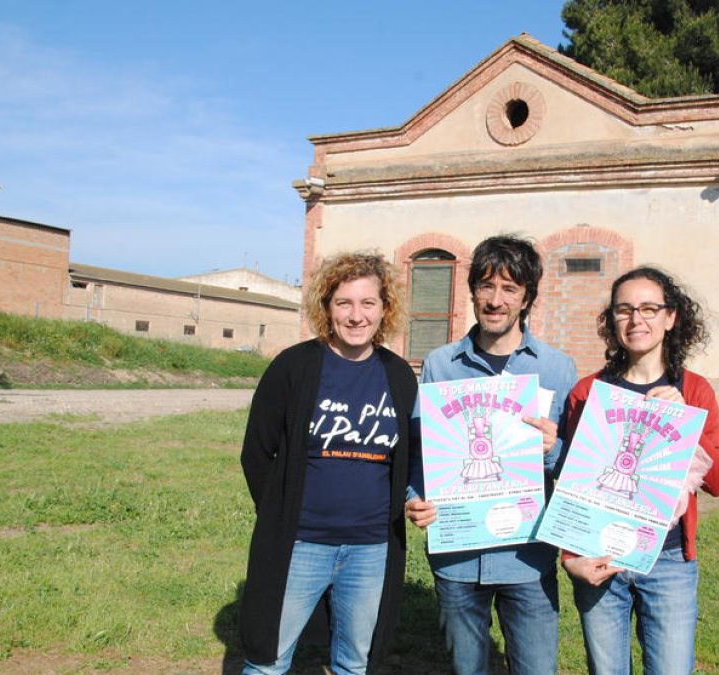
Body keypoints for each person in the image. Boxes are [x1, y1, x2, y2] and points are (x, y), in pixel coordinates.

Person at [404, 235, 578, 675]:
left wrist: (550, 449)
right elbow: (420, 451)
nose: (495, 300)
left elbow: (578, 470)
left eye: (509, 289)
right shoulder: (440, 365)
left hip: (528, 557)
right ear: (473, 292)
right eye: (486, 286)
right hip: (457, 556)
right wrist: (414, 497)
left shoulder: (557, 368)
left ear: (526, 298)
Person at [238, 252, 417, 675]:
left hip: (371, 548)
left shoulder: (399, 376)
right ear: (327, 307)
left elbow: (408, 459)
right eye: (344, 303)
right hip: (301, 544)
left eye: (368, 303)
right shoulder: (293, 367)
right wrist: (283, 516)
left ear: (384, 308)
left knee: (355, 664)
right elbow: (256, 454)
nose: (357, 316)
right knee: (268, 661)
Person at [560, 266, 719, 675]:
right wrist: (572, 558)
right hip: (599, 554)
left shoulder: (695, 391)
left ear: (671, 317)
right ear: (612, 320)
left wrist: (685, 424)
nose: (636, 319)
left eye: (649, 308)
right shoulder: (587, 394)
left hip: (668, 559)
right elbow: (571, 485)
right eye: (624, 309)